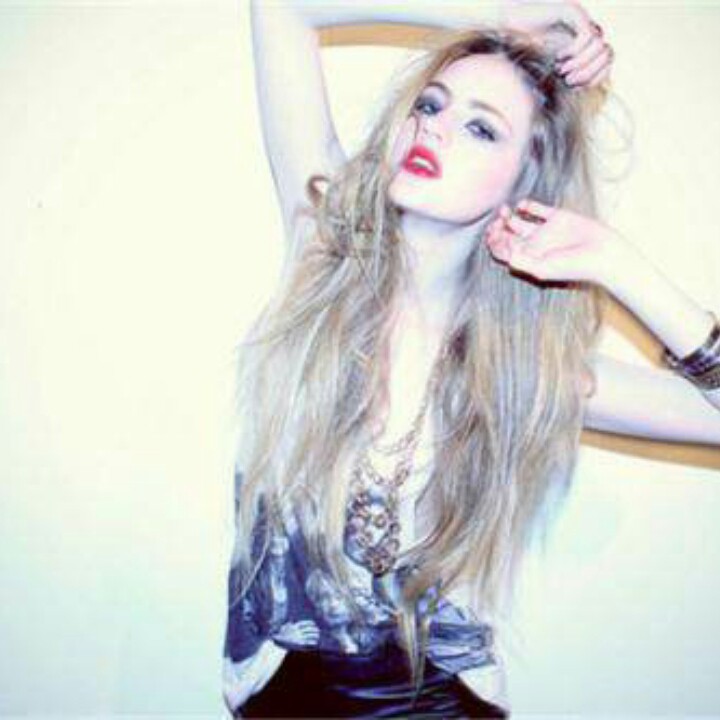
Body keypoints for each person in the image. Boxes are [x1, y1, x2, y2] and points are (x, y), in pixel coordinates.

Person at [222, 2, 720, 717]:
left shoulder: (526, 375)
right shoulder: (322, 258)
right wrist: (507, 17)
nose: (434, 128)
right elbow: (285, 8)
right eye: (431, 104)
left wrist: (621, 266)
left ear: (523, 185)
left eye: (481, 128)